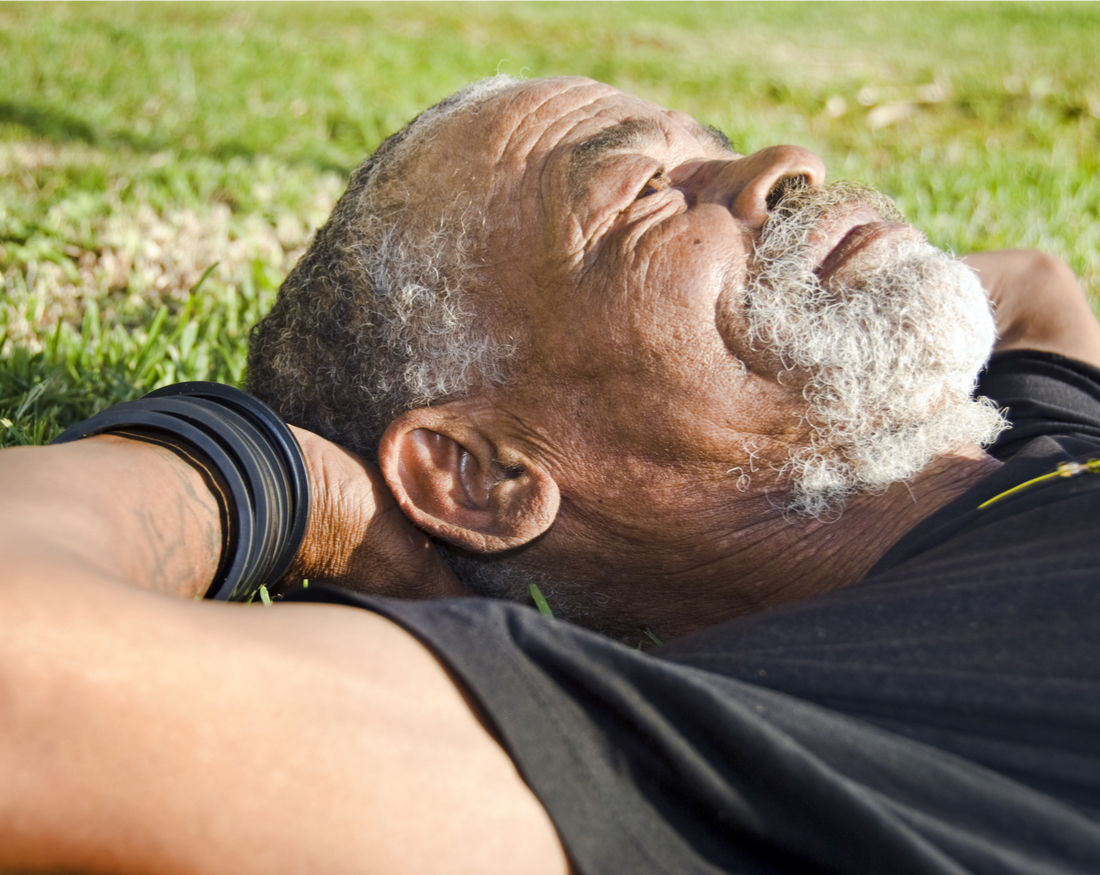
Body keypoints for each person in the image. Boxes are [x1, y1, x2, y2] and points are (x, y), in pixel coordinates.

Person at [1, 75, 1099, 874]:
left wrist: (843, 308)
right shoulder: (738, 750)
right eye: (644, 194)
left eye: (713, 151)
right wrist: (284, 481)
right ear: (478, 475)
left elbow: (1032, 287)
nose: (788, 164)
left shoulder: (1026, 443)